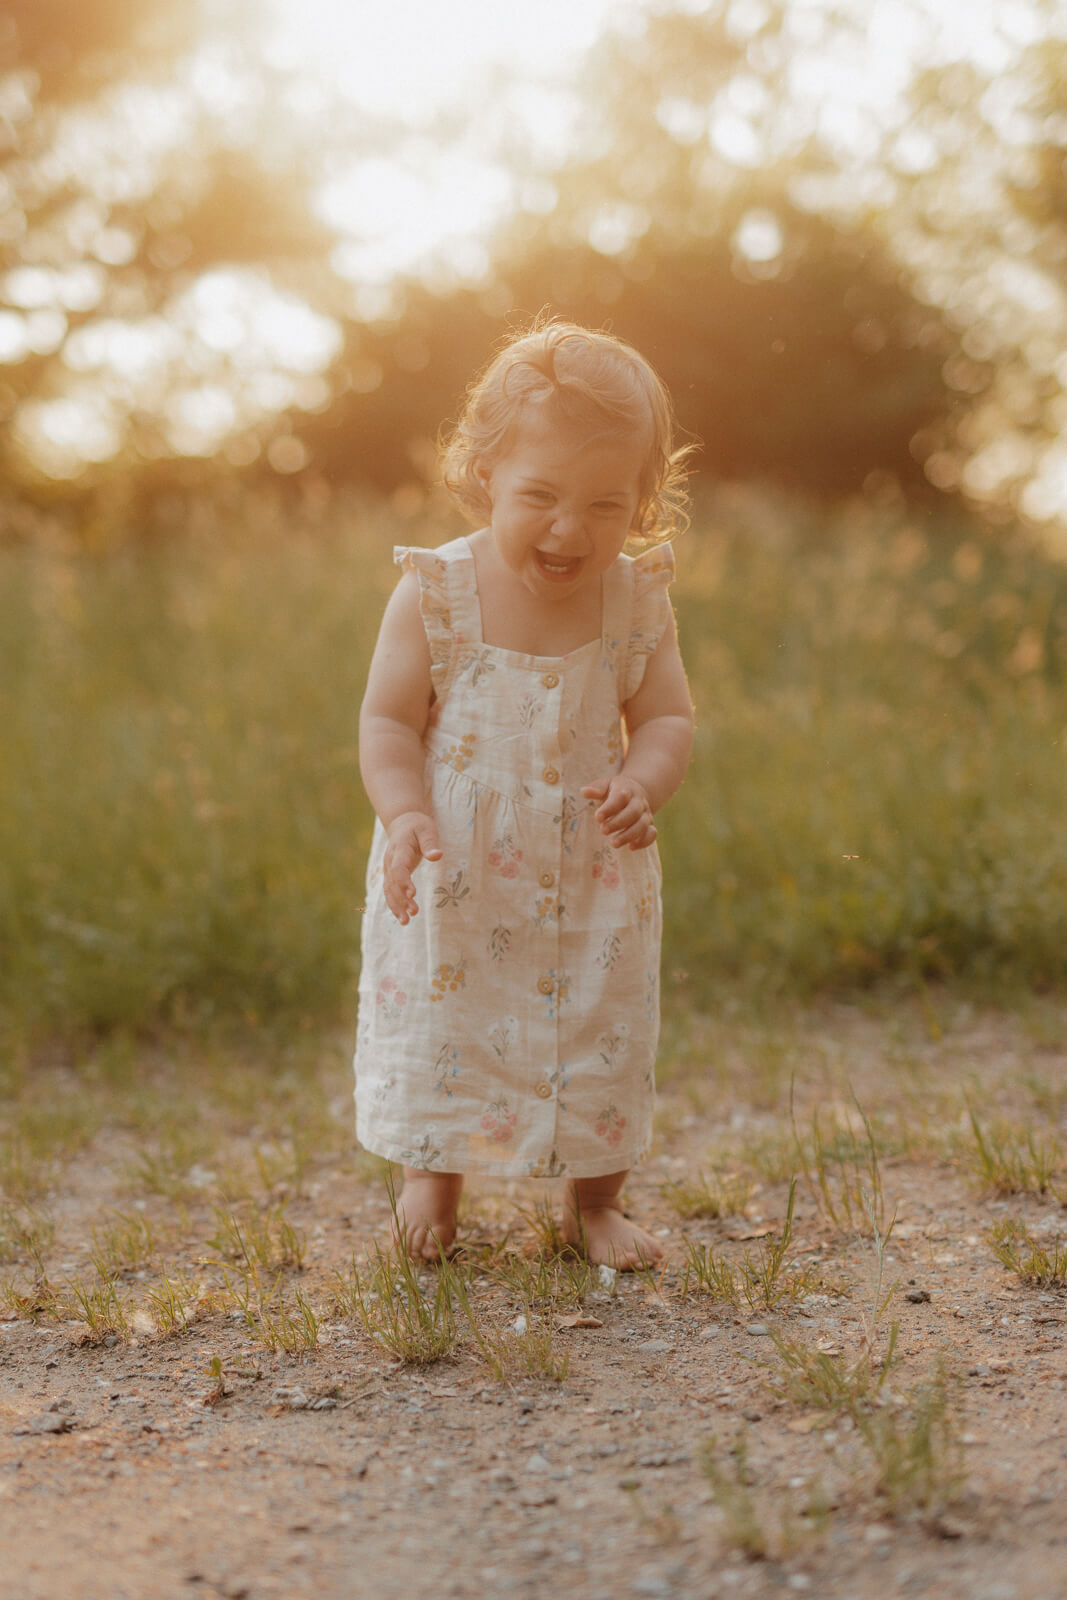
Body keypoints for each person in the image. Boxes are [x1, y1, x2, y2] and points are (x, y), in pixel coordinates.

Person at [354, 317, 694, 1267]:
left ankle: (596, 1202)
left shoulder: (635, 601)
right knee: (445, 1014)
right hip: (458, 860)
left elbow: (667, 718)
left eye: (603, 502)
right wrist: (404, 812)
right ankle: (433, 1170)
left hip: (594, 867)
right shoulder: (437, 592)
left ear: (641, 500)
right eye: (539, 494)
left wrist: (642, 778)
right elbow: (386, 721)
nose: (567, 527)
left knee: (600, 1023)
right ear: (482, 477)